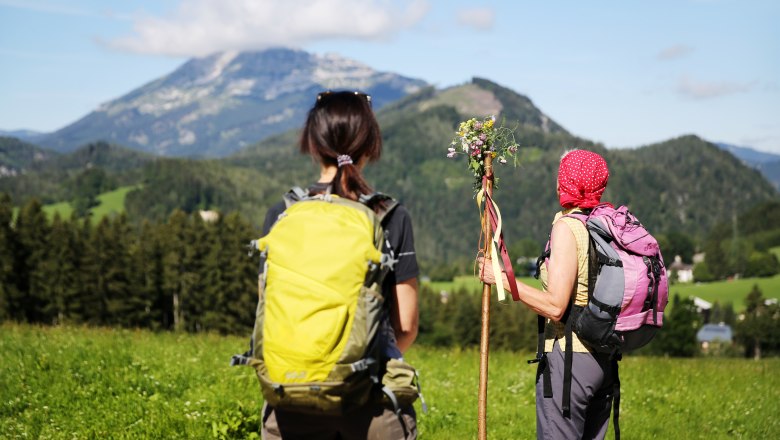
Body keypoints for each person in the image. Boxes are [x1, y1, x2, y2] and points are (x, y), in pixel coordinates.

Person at [260, 90, 420, 439]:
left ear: (313, 143)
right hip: (371, 405)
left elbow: (269, 309)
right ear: (370, 145)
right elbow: (406, 326)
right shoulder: (389, 215)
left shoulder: (282, 214)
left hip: (290, 400)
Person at [480, 149, 617, 440]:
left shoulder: (568, 228)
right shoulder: (605, 224)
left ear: (564, 183)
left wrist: (501, 279)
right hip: (603, 361)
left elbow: (556, 307)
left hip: (570, 364)